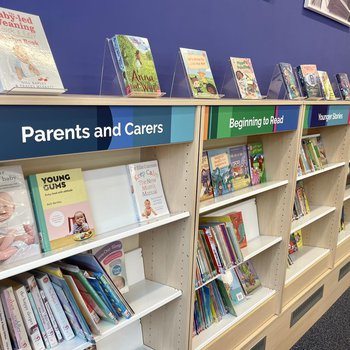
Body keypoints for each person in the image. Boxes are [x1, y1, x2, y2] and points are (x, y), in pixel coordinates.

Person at [0, 192, 36, 261]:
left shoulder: (12, 221)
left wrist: (2, 249)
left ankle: (4, 254)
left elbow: (11, 235)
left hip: (20, 240)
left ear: (13, 207)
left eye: (5, 206)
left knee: (16, 246)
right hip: (10, 240)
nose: (1, 209)